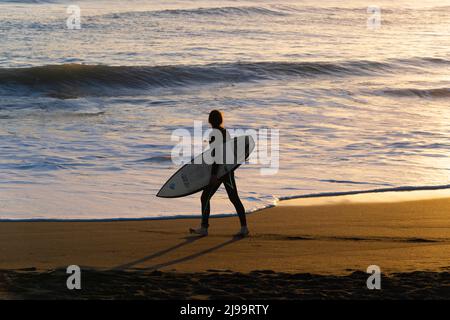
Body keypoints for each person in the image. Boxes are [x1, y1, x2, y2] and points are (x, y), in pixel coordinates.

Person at [190, 110, 249, 237]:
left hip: (221, 172)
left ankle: (204, 228)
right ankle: (244, 227)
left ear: (210, 120)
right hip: (227, 170)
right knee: (233, 198)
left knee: (205, 197)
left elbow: (217, 154)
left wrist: (214, 175)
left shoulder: (214, 133)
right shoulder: (224, 132)